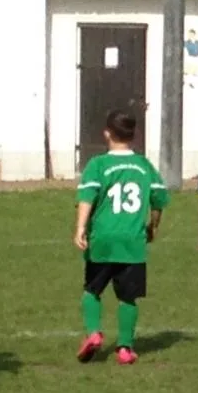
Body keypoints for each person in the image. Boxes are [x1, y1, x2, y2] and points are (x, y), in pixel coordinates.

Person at [74, 111, 170, 365]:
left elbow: (87, 197)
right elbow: (158, 199)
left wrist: (80, 227)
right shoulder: (143, 165)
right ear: (134, 135)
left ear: (107, 133)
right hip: (132, 242)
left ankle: (94, 333)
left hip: (102, 239)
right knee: (128, 297)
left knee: (92, 290)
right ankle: (125, 348)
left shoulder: (98, 165)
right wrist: (153, 226)